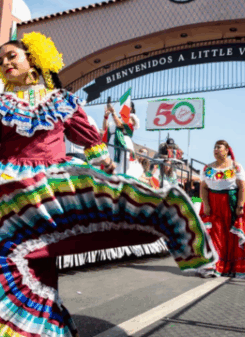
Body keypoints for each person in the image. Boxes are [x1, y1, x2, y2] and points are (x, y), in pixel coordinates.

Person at [0, 33, 217, 337]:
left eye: (12, 56)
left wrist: (103, 164)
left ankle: (176, 228)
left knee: (39, 256)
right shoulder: (1, 104)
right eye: (1, 60)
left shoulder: (59, 101)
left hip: (53, 192)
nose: (6, 62)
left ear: (33, 59)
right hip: (8, 192)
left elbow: (89, 138)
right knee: (13, 259)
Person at [199, 140, 245, 278]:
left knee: (234, 236)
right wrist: (206, 205)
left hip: (231, 204)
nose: (216, 150)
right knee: (215, 235)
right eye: (214, 147)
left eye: (219, 147)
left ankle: (237, 266)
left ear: (227, 150)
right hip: (213, 206)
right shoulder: (207, 168)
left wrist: (240, 205)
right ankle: (214, 266)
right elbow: (203, 187)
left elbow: (242, 186)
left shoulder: (236, 166)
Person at [103, 99, 143, 178]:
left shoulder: (131, 117)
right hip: (112, 143)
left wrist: (113, 113)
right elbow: (105, 128)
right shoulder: (116, 117)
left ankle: (122, 179)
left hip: (123, 142)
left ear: (130, 108)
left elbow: (120, 125)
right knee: (111, 162)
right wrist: (106, 116)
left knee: (123, 165)